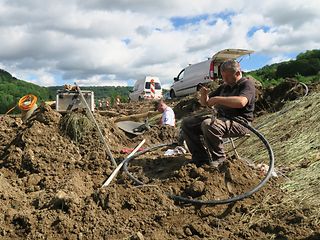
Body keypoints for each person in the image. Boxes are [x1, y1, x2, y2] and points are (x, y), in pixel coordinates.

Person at [181, 59, 255, 167]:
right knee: (187, 123)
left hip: (241, 122)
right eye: (223, 76)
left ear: (238, 73)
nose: (224, 80)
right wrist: (204, 95)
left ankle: (220, 160)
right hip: (223, 119)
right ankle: (200, 158)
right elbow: (205, 103)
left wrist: (218, 99)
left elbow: (241, 102)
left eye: (227, 77)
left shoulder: (246, 84)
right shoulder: (225, 86)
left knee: (208, 124)